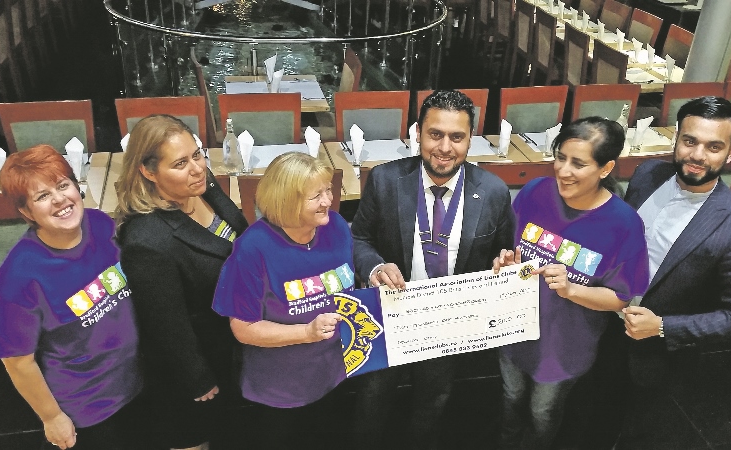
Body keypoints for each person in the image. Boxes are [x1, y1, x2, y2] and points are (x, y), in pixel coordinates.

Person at [350, 89, 515, 450]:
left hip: (450, 323)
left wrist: (504, 266)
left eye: (457, 137)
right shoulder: (384, 180)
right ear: (417, 133)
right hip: (391, 314)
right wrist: (376, 266)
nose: (444, 147)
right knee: (372, 399)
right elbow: (359, 238)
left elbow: (503, 252)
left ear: (470, 138)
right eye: (435, 134)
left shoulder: (493, 191)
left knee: (433, 401)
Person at [614, 96, 731, 447]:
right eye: (690, 141)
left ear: (730, 152)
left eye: (714, 146)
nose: (698, 155)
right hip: (602, 318)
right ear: (676, 140)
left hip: (654, 351)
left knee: (631, 427)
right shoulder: (647, 174)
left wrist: (663, 326)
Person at [492, 117, 650, 450]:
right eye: (560, 157)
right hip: (514, 328)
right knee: (510, 397)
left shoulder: (623, 224)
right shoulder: (535, 192)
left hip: (564, 346)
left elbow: (621, 297)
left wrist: (571, 289)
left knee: (543, 412)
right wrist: (506, 263)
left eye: (578, 164)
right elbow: (511, 249)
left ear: (605, 169)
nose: (563, 170)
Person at [0, 145, 143, 450]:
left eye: (63, 185)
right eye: (42, 196)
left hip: (137, 381)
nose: (59, 200)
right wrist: (52, 417)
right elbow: (18, 362)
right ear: (25, 212)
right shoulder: (18, 279)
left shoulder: (100, 224)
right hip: (88, 406)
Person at [115, 115, 248, 450]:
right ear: (148, 171)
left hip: (229, 343)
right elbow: (166, 323)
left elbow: (237, 232)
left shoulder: (201, 184)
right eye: (179, 163)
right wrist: (196, 377)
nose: (196, 168)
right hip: (195, 362)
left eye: (197, 155)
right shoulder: (146, 240)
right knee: (193, 437)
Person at [211, 152, 352, 449]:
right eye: (316, 195)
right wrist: (306, 332)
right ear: (287, 200)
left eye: (328, 189)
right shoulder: (252, 250)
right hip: (281, 391)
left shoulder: (336, 227)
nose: (328, 200)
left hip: (335, 374)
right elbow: (244, 328)